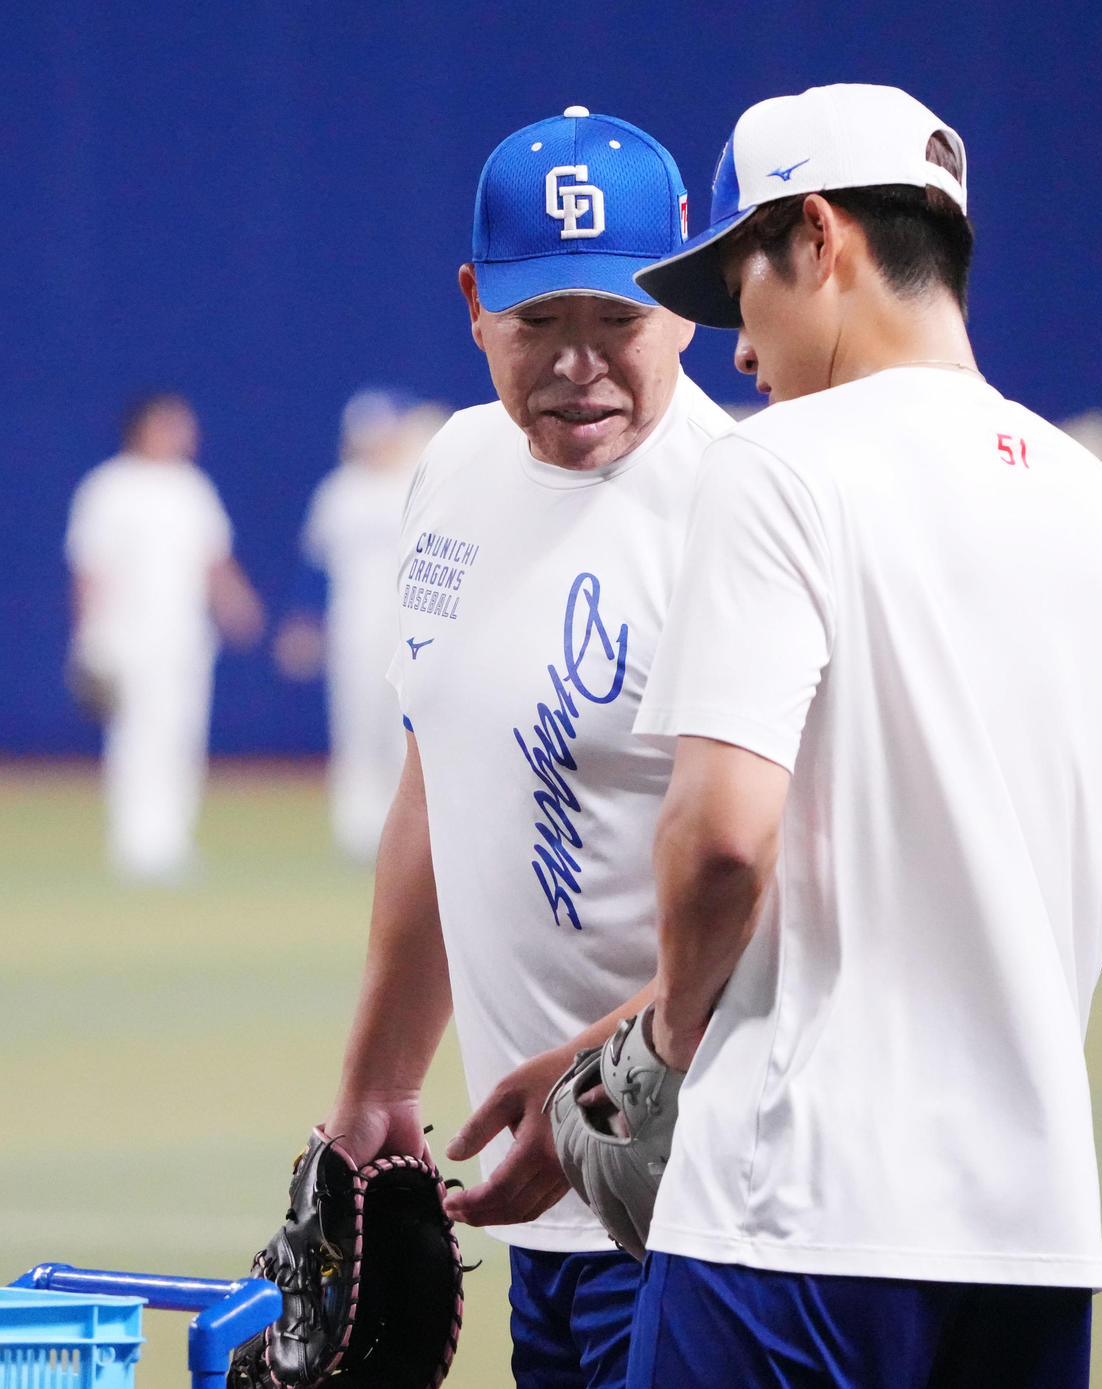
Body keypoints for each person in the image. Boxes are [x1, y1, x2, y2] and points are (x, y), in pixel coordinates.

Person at [621, 84, 1102, 1387]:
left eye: (739, 290)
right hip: (1032, 1234)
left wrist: (662, 1052)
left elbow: (721, 842)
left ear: (819, 237)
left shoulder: (778, 466)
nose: (735, 352)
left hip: (794, 1214)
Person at [322, 106, 732, 1386]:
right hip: (534, 1205)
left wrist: (599, 1085)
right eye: (538, 320)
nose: (577, 363)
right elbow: (440, 789)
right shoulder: (453, 467)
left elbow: (784, 886)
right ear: (473, 305)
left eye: (617, 319)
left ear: (685, 305)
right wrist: (378, 1088)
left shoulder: (744, 509)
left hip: (698, 1206)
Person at [65, 393, 264, 881]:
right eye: (172, 425)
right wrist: (88, 638)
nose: (184, 434)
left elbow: (213, 559)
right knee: (137, 737)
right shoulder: (109, 488)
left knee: (181, 735)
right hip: (126, 636)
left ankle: (171, 839)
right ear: (144, 428)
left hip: (184, 636)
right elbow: (90, 569)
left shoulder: (191, 487)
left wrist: (236, 604)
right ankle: (136, 842)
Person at [275, 389, 448, 863]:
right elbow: (315, 566)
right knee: (356, 723)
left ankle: (403, 828)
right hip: (352, 626)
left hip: (411, 626)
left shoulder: (417, 484)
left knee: (404, 728)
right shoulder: (341, 492)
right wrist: (304, 623)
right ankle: (357, 828)